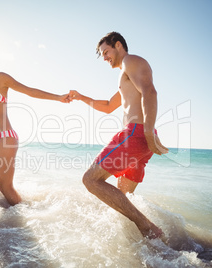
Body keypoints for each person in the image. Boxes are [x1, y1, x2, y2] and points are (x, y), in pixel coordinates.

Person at [69, 32, 168, 239]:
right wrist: (80, 97)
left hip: (136, 134)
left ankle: (148, 227)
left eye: (106, 52)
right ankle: (151, 243)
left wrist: (148, 131)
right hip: (141, 137)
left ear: (118, 45)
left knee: (90, 180)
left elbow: (150, 92)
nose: (104, 58)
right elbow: (107, 106)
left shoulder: (131, 61)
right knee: (121, 199)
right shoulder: (125, 74)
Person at [0, 45, 70, 206]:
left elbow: (29, 91)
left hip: (6, 138)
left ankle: (24, 217)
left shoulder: (0, 78)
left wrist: (58, 97)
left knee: (5, 187)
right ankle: (7, 199)